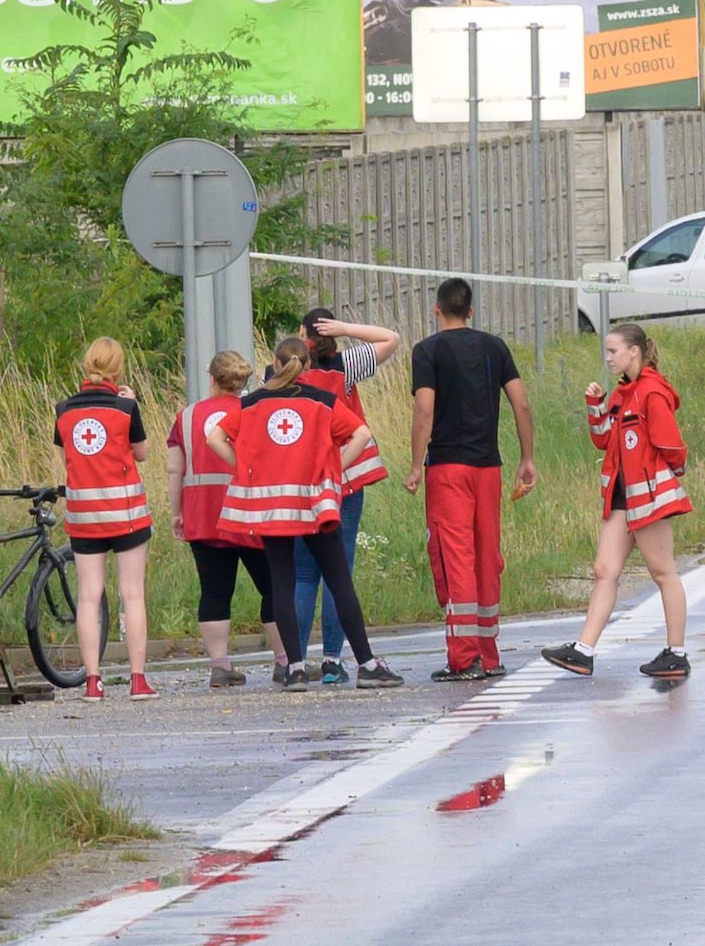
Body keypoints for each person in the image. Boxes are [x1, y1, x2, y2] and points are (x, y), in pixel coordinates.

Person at [543, 320, 697, 684]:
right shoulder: (623, 393)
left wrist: (665, 479)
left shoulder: (651, 392)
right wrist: (595, 405)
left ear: (634, 352)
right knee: (604, 570)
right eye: (607, 352)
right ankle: (583, 651)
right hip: (622, 498)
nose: (608, 358)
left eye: (613, 351)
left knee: (663, 572)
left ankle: (676, 654)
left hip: (648, 499)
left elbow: (672, 444)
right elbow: (603, 440)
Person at [406, 279, 536, 681]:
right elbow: (521, 402)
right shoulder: (494, 347)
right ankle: (489, 654)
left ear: (437, 310)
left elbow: (425, 411)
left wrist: (414, 465)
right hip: (488, 468)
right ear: (472, 311)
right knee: (485, 556)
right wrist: (527, 458)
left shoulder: (427, 351)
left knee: (455, 556)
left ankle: (464, 659)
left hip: (447, 468)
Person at [293, 306, 412, 690]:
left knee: (303, 574)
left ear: (301, 335)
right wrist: (345, 329)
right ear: (331, 334)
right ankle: (332, 660)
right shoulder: (345, 364)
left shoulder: (284, 370)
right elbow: (390, 338)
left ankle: (295, 663)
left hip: (298, 482)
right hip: (344, 478)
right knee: (337, 571)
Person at [225, 334, 338, 681]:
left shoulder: (254, 403)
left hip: (271, 506)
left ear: (275, 364)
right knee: (337, 579)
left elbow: (216, 436)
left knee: (283, 585)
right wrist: (330, 471)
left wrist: (243, 468)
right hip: (313, 504)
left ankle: (295, 667)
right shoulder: (320, 400)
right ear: (306, 366)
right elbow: (360, 434)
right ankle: (354, 660)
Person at [53, 336, 156, 695]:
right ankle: (138, 680)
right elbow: (141, 453)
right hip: (125, 513)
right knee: (132, 594)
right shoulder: (125, 408)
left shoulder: (63, 409)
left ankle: (93, 682)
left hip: (83, 516)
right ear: (118, 368)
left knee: (88, 596)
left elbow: (68, 449)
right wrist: (131, 403)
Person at [176, 350, 262, 687]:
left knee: (213, 590)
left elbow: (174, 468)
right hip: (250, 510)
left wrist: (176, 512)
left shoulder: (187, 417)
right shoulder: (254, 410)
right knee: (271, 586)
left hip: (204, 513)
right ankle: (285, 660)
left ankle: (220, 665)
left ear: (211, 379)